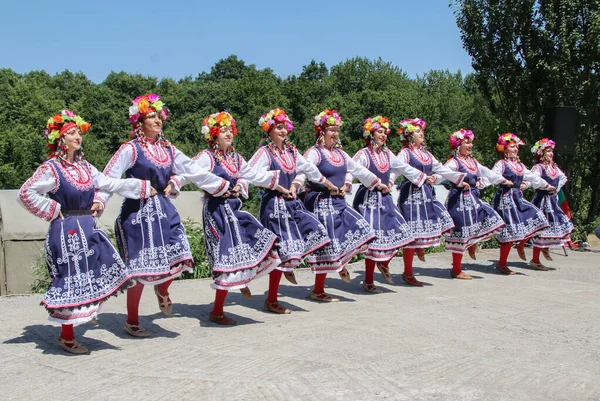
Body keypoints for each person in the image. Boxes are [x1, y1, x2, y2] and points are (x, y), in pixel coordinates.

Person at [17, 110, 154, 354]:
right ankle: (66, 336)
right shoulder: (52, 168)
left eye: (78, 131)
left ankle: (86, 315)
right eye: (70, 132)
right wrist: (52, 208)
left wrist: (140, 186)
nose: (77, 136)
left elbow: (109, 184)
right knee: (71, 280)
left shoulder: (85, 167)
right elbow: (25, 193)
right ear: (60, 139)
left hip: (87, 228)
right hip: (66, 229)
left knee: (97, 270)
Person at [97, 94, 230, 337]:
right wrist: (99, 201)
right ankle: (132, 320)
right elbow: (109, 177)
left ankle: (162, 288)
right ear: (139, 123)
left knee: (180, 255)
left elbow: (192, 170)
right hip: (137, 213)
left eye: (158, 116)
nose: (157, 120)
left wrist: (218, 185)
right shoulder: (131, 149)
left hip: (164, 209)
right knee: (139, 269)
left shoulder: (168, 148)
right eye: (150, 116)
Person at [191, 111, 282, 325]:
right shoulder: (207, 157)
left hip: (234, 209)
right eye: (223, 130)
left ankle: (243, 278)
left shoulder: (235, 157)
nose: (228, 133)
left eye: (230, 130)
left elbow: (251, 175)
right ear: (213, 134)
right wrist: (215, 186)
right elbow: (191, 173)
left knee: (262, 239)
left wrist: (274, 181)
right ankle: (217, 311)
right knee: (226, 257)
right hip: (216, 212)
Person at [248, 108, 338, 313]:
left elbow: (308, 169)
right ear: (269, 130)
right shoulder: (264, 152)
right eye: (278, 127)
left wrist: (326, 183)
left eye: (284, 127)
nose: (282, 131)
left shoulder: (292, 151)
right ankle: (271, 299)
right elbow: (250, 173)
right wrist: (275, 184)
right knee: (281, 252)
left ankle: (291, 264)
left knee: (317, 229)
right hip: (273, 206)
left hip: (292, 203)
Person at [298, 109, 388, 301]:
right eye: (331, 129)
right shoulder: (314, 153)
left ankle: (340, 265)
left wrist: (376, 182)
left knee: (363, 230)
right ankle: (318, 290)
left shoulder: (340, 153)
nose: (335, 133)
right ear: (321, 131)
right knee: (326, 243)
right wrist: (298, 184)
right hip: (321, 201)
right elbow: (304, 170)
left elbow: (356, 170)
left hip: (338, 201)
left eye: (337, 129)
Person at [351, 116, 425, 293]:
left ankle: (384, 262)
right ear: (370, 134)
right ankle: (368, 281)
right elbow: (353, 169)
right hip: (368, 199)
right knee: (373, 240)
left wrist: (393, 180)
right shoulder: (363, 154)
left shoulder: (387, 153)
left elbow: (400, 167)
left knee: (403, 231)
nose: (383, 135)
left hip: (384, 198)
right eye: (379, 131)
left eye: (385, 132)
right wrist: (369, 182)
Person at [394, 118, 468, 286]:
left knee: (444, 220)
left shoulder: (426, 154)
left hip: (427, 195)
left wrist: (451, 177)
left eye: (422, 131)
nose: (422, 134)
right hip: (411, 195)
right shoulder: (405, 153)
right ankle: (408, 272)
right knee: (412, 233)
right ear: (410, 135)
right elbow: (397, 168)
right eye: (418, 132)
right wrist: (389, 181)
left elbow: (440, 167)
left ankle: (420, 248)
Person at [443, 129, 511, 279]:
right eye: (466, 142)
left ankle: (473, 244)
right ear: (458, 145)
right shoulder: (454, 162)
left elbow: (487, 172)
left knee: (493, 218)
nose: (470, 145)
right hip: (458, 200)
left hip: (473, 198)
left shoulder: (472, 161)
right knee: (461, 233)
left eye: (470, 142)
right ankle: (456, 269)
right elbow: (444, 173)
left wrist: (504, 181)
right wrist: (459, 181)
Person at [491, 133, 555, 274]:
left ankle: (520, 244)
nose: (515, 149)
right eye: (512, 147)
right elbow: (492, 176)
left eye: (516, 147)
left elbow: (532, 177)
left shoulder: (519, 165)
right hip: (505, 199)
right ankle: (501, 264)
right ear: (505, 149)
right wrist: (503, 181)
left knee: (539, 217)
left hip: (517, 198)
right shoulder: (501, 164)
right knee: (509, 231)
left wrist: (546, 185)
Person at [528, 138, 574, 269]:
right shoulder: (538, 167)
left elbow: (563, 177)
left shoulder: (553, 167)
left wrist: (556, 188)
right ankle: (535, 259)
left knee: (555, 225)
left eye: (551, 152)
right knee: (540, 229)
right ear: (541, 153)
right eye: (548, 151)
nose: (551, 154)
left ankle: (544, 249)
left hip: (552, 201)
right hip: (541, 201)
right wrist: (545, 186)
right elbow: (533, 181)